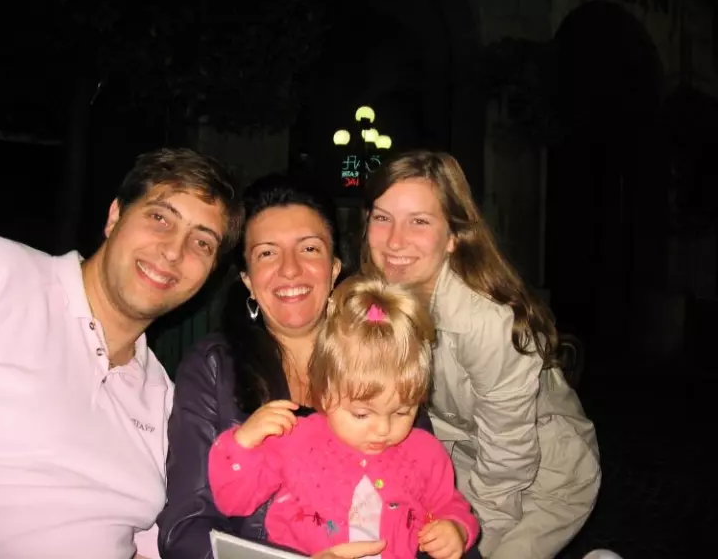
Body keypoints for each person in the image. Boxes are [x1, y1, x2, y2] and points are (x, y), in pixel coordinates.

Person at [0, 148, 241, 559]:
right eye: (160, 218)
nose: (174, 251)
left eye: (201, 243)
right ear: (115, 216)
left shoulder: (165, 402)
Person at [158, 174, 438, 559]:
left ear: (334, 267)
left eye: (309, 248)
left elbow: (434, 503)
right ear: (248, 280)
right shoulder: (213, 367)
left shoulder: (385, 352)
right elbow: (185, 530)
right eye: (267, 253)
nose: (290, 270)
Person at [363, 150, 601, 559]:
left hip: (545, 475)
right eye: (383, 217)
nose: (395, 240)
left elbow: (509, 457)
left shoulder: (488, 322)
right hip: (462, 462)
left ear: (453, 236)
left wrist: (471, 536)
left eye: (419, 221)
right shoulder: (379, 301)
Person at [208, 274, 481, 559]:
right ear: (325, 395)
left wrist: (456, 529)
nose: (383, 428)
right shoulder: (294, 439)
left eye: (402, 412)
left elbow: (449, 505)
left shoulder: (425, 453)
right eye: (362, 414)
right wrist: (242, 444)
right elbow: (233, 502)